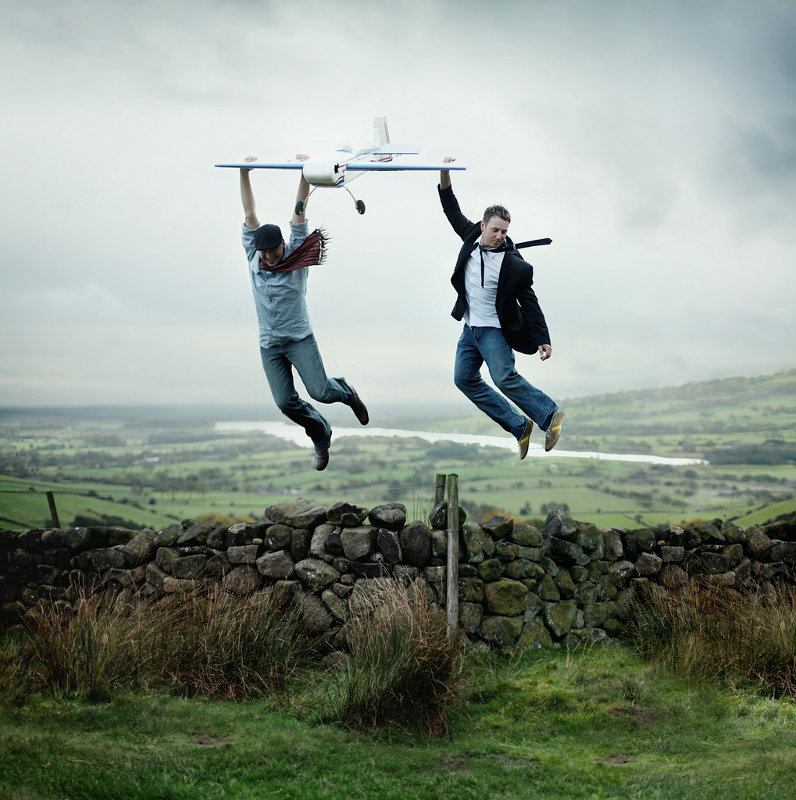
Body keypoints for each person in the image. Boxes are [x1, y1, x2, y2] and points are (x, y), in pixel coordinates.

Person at [239, 156, 369, 471]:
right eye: (264, 252)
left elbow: (300, 209)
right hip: (270, 345)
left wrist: (305, 173)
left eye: (273, 250)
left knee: (322, 391)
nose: (268, 257)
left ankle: (347, 392)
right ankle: (321, 435)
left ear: (284, 245)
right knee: (285, 403)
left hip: (299, 339)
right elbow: (249, 214)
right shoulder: (255, 258)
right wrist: (244, 173)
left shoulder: (296, 257)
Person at [438, 158, 564, 458]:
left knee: (503, 377)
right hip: (470, 329)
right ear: (483, 226)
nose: (499, 236)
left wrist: (542, 338)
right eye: (495, 230)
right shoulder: (470, 236)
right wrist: (443, 172)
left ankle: (550, 415)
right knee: (463, 379)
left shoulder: (514, 265)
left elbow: (530, 302)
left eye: (504, 232)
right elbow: (450, 208)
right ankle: (520, 426)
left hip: (495, 330)